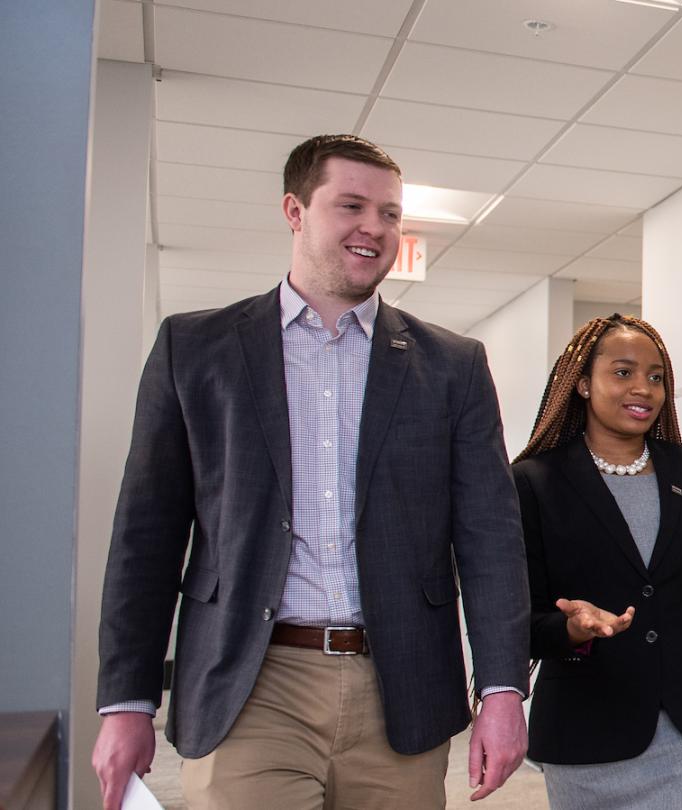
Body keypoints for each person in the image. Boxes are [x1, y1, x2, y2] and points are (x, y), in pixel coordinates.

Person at [91, 134, 529, 810]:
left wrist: (502, 688)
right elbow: (144, 537)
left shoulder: (451, 365)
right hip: (251, 679)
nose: (374, 228)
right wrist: (126, 697)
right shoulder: (196, 349)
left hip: (402, 685)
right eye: (351, 205)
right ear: (294, 211)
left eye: (389, 214)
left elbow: (491, 542)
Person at [511, 315, 682, 809]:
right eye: (623, 372)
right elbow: (516, 619)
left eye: (656, 377)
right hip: (590, 731)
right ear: (583, 384)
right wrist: (572, 628)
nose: (644, 389)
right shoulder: (533, 481)